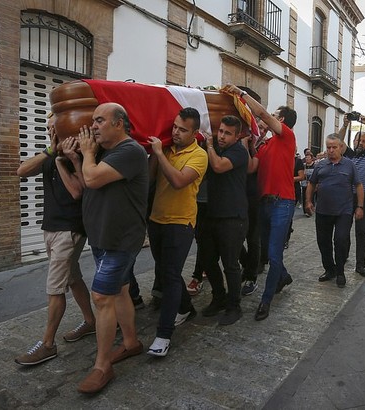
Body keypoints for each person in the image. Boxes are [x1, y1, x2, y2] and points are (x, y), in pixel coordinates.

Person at [76, 102, 149, 394]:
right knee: (119, 291)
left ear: (119, 123)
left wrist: (87, 153)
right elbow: (88, 179)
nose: (93, 126)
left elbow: (91, 178)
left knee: (101, 296)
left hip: (120, 240)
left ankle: (102, 366)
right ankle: (131, 343)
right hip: (103, 237)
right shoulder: (107, 153)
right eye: (93, 120)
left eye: (100, 120)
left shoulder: (129, 151)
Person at [15, 115, 96, 366]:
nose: (50, 128)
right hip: (50, 227)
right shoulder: (50, 154)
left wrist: (64, 157)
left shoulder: (76, 155)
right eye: (49, 125)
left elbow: (77, 192)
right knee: (72, 278)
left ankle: (48, 344)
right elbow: (21, 171)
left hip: (69, 229)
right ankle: (91, 322)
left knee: (55, 286)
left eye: (55, 124)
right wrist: (51, 151)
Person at [223, 84, 297, 322]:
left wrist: (242, 95)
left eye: (275, 115)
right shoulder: (265, 145)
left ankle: (266, 301)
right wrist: (247, 144)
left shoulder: (286, 136)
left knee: (274, 255)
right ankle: (283, 276)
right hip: (265, 204)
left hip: (282, 203)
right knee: (270, 253)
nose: (269, 118)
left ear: (281, 119)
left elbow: (262, 115)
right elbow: (252, 167)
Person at [147, 107, 208, 356]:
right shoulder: (166, 148)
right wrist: (155, 154)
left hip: (181, 222)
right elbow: (150, 178)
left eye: (183, 129)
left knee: (170, 274)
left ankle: (163, 335)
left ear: (195, 133)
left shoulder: (199, 155)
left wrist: (159, 154)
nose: (176, 132)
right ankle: (186, 308)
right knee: (164, 270)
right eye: (174, 127)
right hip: (156, 219)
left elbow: (179, 181)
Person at [200, 115, 249, 325]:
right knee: (207, 260)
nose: (222, 136)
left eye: (227, 133)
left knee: (230, 264)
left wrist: (209, 145)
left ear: (237, 136)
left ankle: (234, 305)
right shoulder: (217, 149)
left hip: (232, 217)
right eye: (220, 131)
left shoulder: (238, 151)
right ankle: (218, 297)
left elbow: (219, 166)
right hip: (211, 214)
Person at [304, 135, 364, 288]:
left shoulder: (349, 165)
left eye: (334, 147)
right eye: (328, 147)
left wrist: (360, 207)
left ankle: (340, 271)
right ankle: (329, 269)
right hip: (323, 211)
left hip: (344, 211)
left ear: (341, 148)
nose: (331, 150)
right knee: (323, 242)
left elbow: (358, 186)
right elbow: (311, 184)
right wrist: (308, 201)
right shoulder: (320, 165)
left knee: (341, 240)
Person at [338, 114, 365, 276]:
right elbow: (339, 140)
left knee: (362, 231)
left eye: (364, 141)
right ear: (353, 141)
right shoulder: (347, 153)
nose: (360, 143)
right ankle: (343, 257)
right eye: (358, 140)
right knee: (344, 229)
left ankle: (361, 264)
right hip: (348, 197)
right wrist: (345, 124)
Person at [240, 116, 268, 296]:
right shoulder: (252, 144)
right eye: (259, 127)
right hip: (239, 196)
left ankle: (251, 274)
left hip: (255, 198)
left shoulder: (264, 147)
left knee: (253, 238)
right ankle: (248, 264)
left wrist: (246, 145)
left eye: (265, 129)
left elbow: (249, 167)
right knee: (235, 239)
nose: (262, 131)